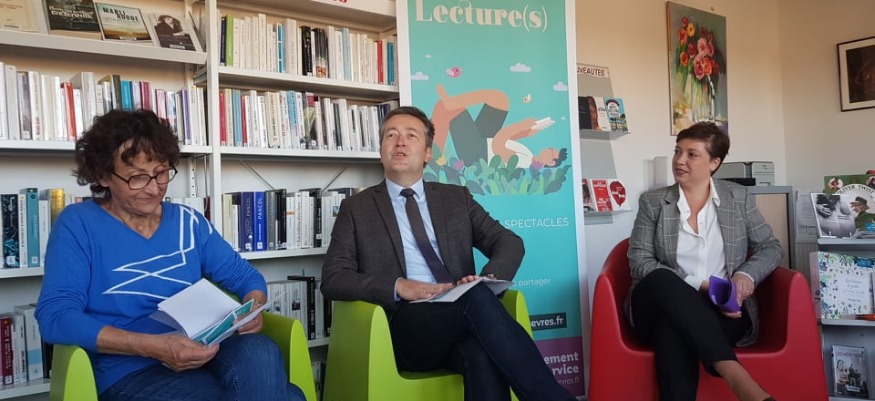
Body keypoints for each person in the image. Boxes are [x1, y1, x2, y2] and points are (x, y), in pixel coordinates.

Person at [35, 110, 305, 401]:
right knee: (289, 396)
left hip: (205, 345)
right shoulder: (78, 224)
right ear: (103, 175)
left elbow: (244, 276)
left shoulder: (189, 221)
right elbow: (56, 316)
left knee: (262, 350)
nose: (154, 189)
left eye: (161, 173)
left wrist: (253, 305)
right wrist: (154, 346)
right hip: (129, 368)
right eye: (137, 178)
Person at [320, 106, 576, 401]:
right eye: (391, 135)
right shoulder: (357, 208)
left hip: (465, 317)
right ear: (381, 152)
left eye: (411, 135)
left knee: (480, 354)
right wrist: (399, 286)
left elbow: (508, 241)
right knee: (475, 298)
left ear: (427, 153)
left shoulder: (455, 198)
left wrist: (488, 278)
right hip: (405, 328)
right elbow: (334, 278)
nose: (400, 142)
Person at [626, 122, 783, 401]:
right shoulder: (653, 202)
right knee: (662, 280)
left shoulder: (738, 197)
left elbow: (770, 247)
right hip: (655, 304)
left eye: (692, 154)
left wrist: (745, 276)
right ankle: (736, 376)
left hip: (724, 313)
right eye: (678, 151)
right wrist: (705, 286)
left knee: (672, 326)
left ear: (714, 163)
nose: (679, 160)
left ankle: (736, 379)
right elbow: (639, 262)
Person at [431, 84, 567, 169]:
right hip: (485, 142)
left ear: (551, 162)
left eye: (551, 151)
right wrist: (525, 133)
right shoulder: (528, 155)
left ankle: (433, 158)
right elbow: (505, 141)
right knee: (500, 99)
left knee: (444, 108)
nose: (548, 148)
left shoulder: (525, 162)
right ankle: (452, 102)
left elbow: (498, 144)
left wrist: (521, 125)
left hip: (477, 155)